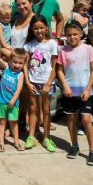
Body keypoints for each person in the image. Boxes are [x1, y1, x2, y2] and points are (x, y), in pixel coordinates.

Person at [56, 21, 93, 166]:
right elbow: (60, 70)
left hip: (85, 91)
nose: (72, 37)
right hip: (69, 91)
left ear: (81, 33)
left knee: (86, 120)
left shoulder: (88, 49)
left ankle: (92, 151)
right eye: (69, 35)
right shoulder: (63, 51)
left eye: (75, 34)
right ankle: (74, 145)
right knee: (71, 119)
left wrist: (88, 89)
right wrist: (65, 87)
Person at [23, 15, 58, 152]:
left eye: (41, 27)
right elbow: (25, 65)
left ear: (47, 28)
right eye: (36, 28)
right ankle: (31, 136)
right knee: (33, 109)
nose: (39, 31)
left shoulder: (52, 44)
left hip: (47, 83)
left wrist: (49, 83)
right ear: (32, 29)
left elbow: (55, 66)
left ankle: (46, 137)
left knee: (46, 110)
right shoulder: (29, 45)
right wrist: (27, 81)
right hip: (33, 82)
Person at [0, 48, 26, 152]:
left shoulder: (20, 75)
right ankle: (1, 142)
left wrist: (13, 100)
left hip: (13, 103)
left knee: (13, 123)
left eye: (20, 63)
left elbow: (19, 89)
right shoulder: (7, 68)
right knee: (2, 122)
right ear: (10, 60)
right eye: (15, 62)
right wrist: (1, 49)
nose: (17, 65)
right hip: (1, 101)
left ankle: (16, 141)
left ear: (24, 64)